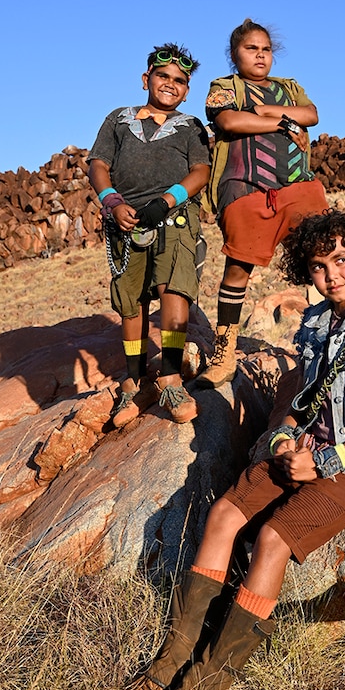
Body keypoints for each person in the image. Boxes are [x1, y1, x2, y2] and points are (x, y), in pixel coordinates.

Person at [92, 211, 345, 690]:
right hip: (303, 448)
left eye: (342, 260)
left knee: (271, 540)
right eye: (319, 266)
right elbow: (300, 397)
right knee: (223, 515)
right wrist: (285, 435)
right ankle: (161, 675)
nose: (332, 275)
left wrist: (329, 461)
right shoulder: (313, 324)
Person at [197, 19, 329, 387]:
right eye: (250, 49)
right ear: (234, 54)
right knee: (238, 268)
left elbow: (312, 115)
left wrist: (266, 114)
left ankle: (340, 334)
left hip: (296, 186)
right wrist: (284, 125)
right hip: (244, 186)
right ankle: (224, 352)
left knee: (323, 253)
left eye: (265, 49)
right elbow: (228, 121)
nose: (259, 55)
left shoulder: (288, 88)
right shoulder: (225, 87)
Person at [88, 44, 210, 427]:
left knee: (173, 289)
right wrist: (112, 201)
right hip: (125, 221)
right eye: (163, 76)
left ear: (187, 90)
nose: (170, 84)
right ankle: (134, 379)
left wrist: (167, 199)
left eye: (179, 81)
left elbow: (200, 172)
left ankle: (171, 378)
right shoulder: (118, 120)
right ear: (146, 79)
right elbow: (98, 164)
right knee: (131, 298)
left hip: (173, 217)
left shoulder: (191, 127)